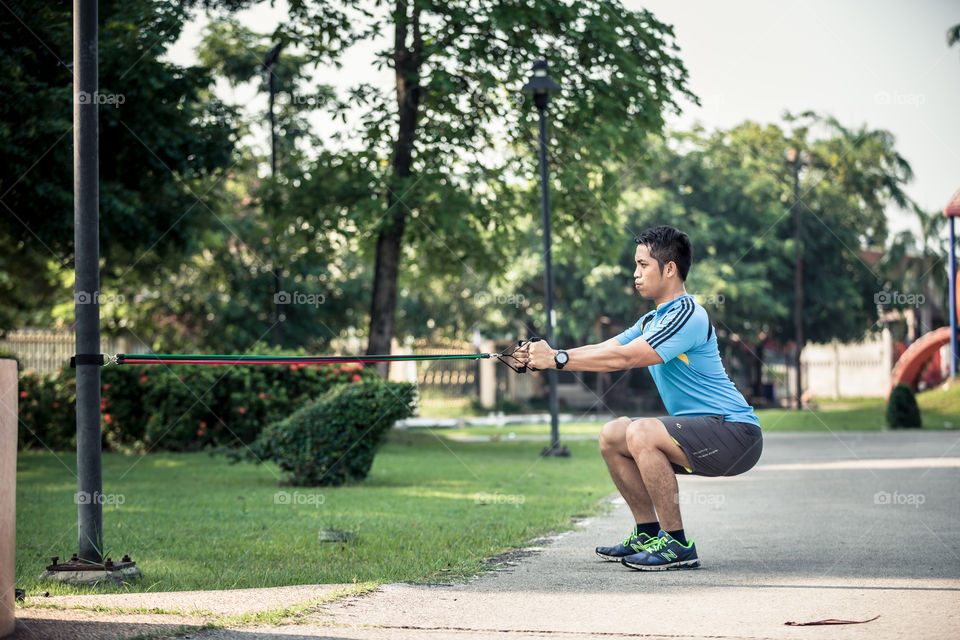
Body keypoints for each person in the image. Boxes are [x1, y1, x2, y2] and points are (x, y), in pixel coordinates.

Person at [515, 225, 762, 570]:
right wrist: (550, 355)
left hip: (736, 434)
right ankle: (647, 532)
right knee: (613, 434)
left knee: (640, 431)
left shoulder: (687, 314)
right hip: (704, 430)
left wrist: (555, 359)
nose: (636, 273)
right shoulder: (653, 319)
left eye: (643, 265)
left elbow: (626, 358)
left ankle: (677, 544)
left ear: (670, 269)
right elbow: (608, 347)